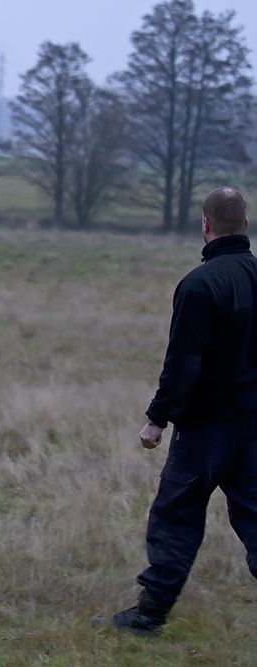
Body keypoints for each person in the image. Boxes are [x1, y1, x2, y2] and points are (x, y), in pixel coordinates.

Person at [96, 186, 257, 636]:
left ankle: (147, 617)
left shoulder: (199, 285)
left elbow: (184, 362)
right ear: (244, 225)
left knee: (175, 518)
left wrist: (156, 418)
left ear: (205, 224)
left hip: (204, 430)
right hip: (252, 425)